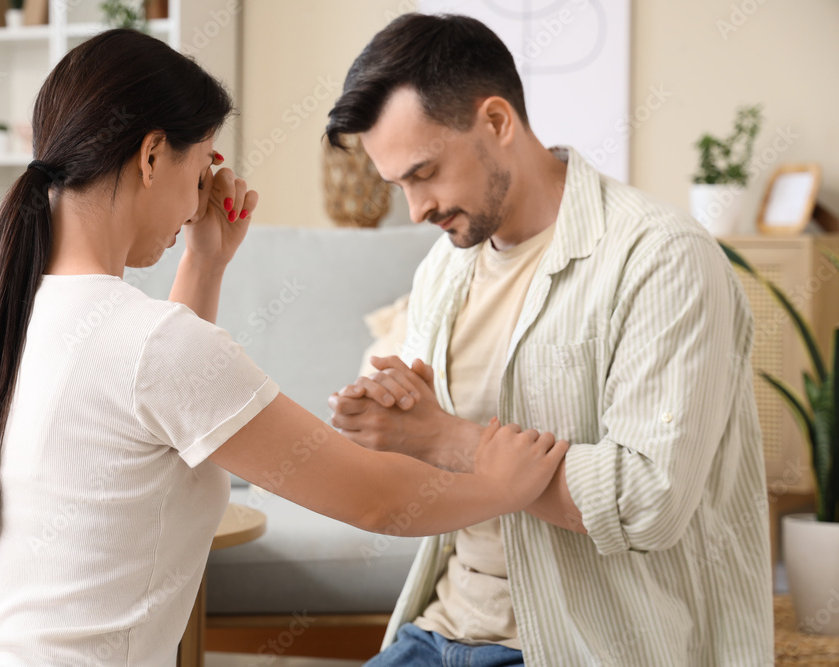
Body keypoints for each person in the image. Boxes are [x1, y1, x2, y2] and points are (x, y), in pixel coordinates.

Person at [0, 28, 571, 667]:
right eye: (200, 171)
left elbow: (151, 413)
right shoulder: (151, 344)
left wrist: (207, 261)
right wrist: (498, 484)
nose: (199, 203)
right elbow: (376, 499)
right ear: (152, 155)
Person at [326, 13, 774, 667]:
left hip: (577, 644)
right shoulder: (444, 267)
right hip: (440, 627)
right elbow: (429, 469)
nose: (416, 209)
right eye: (399, 186)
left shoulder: (661, 257)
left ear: (498, 123)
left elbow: (648, 503)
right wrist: (391, 427)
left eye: (424, 173)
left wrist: (443, 436)